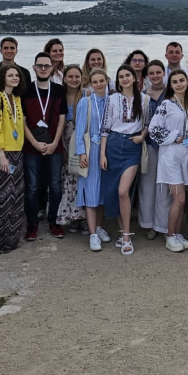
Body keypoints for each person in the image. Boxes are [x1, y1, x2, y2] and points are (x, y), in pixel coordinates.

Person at [100, 65, 148, 255]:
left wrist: (142, 136)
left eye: (127, 75)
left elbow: (148, 123)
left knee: (123, 191)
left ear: (134, 78)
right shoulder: (112, 99)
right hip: (113, 144)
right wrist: (102, 154)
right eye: (121, 76)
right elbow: (105, 128)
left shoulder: (144, 99)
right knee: (113, 192)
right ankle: (123, 233)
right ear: (117, 80)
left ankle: (127, 235)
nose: (125, 79)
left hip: (132, 147)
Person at [148, 69, 188, 254]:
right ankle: (169, 236)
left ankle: (176, 233)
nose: (179, 84)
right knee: (179, 199)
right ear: (171, 85)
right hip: (170, 155)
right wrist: (173, 136)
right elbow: (153, 129)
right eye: (175, 81)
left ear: (187, 81)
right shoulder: (166, 104)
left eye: (182, 80)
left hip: (185, 154)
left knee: (181, 200)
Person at [23, 52, 69, 240]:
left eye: (46, 66)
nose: (43, 69)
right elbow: (22, 121)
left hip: (54, 146)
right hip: (31, 146)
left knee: (56, 186)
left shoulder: (59, 90)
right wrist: (34, 142)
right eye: (40, 65)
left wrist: (55, 142)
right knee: (32, 187)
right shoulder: (25, 91)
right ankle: (32, 223)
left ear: (52, 68)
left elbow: (62, 119)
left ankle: (53, 221)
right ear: (34, 67)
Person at [0, 64, 28, 254]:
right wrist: (1, 154)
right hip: (4, 154)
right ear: (2, 77)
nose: (14, 78)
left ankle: (11, 240)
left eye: (16, 75)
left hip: (18, 152)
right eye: (10, 75)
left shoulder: (17, 98)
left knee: (16, 196)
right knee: (4, 196)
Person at [75, 67, 111, 251]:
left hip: (107, 151)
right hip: (91, 151)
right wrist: (82, 153)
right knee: (90, 192)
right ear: (91, 83)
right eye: (95, 82)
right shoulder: (85, 102)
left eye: (101, 81)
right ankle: (92, 234)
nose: (98, 84)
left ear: (107, 81)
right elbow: (80, 130)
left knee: (102, 192)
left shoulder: (111, 101)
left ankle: (99, 226)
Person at [138, 60, 170, 241]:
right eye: (152, 73)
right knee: (147, 186)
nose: (156, 76)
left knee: (164, 187)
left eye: (158, 72)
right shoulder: (142, 95)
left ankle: (163, 224)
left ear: (163, 73)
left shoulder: (171, 93)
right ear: (148, 76)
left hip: (168, 146)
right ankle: (148, 224)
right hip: (148, 145)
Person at [56, 65, 87, 233]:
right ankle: (71, 216)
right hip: (65, 141)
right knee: (68, 179)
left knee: (82, 179)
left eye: (77, 76)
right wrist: (62, 146)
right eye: (70, 76)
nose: (74, 79)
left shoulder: (86, 95)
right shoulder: (59, 97)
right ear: (65, 78)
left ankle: (83, 217)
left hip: (82, 142)